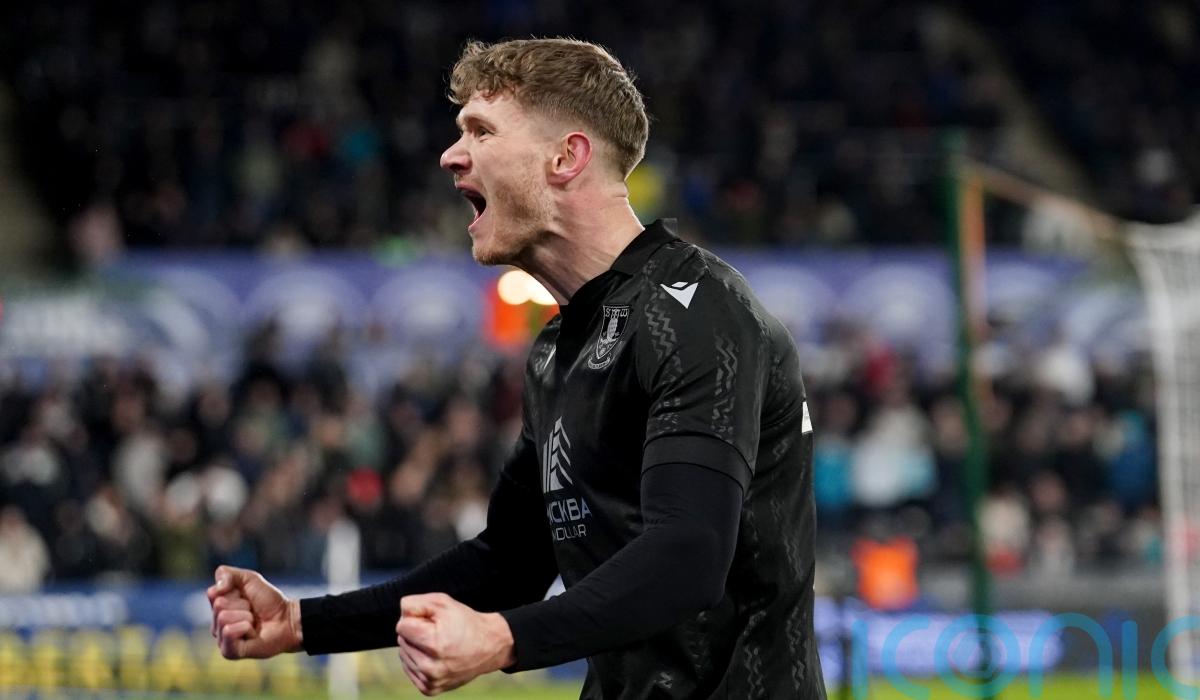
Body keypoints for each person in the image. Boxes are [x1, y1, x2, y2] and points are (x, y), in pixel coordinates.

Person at [207, 38, 825, 699]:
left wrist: (501, 639)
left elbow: (689, 555)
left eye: (481, 131)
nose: (451, 155)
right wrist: (299, 623)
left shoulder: (699, 310)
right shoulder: (557, 351)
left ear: (566, 158)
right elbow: (508, 562)